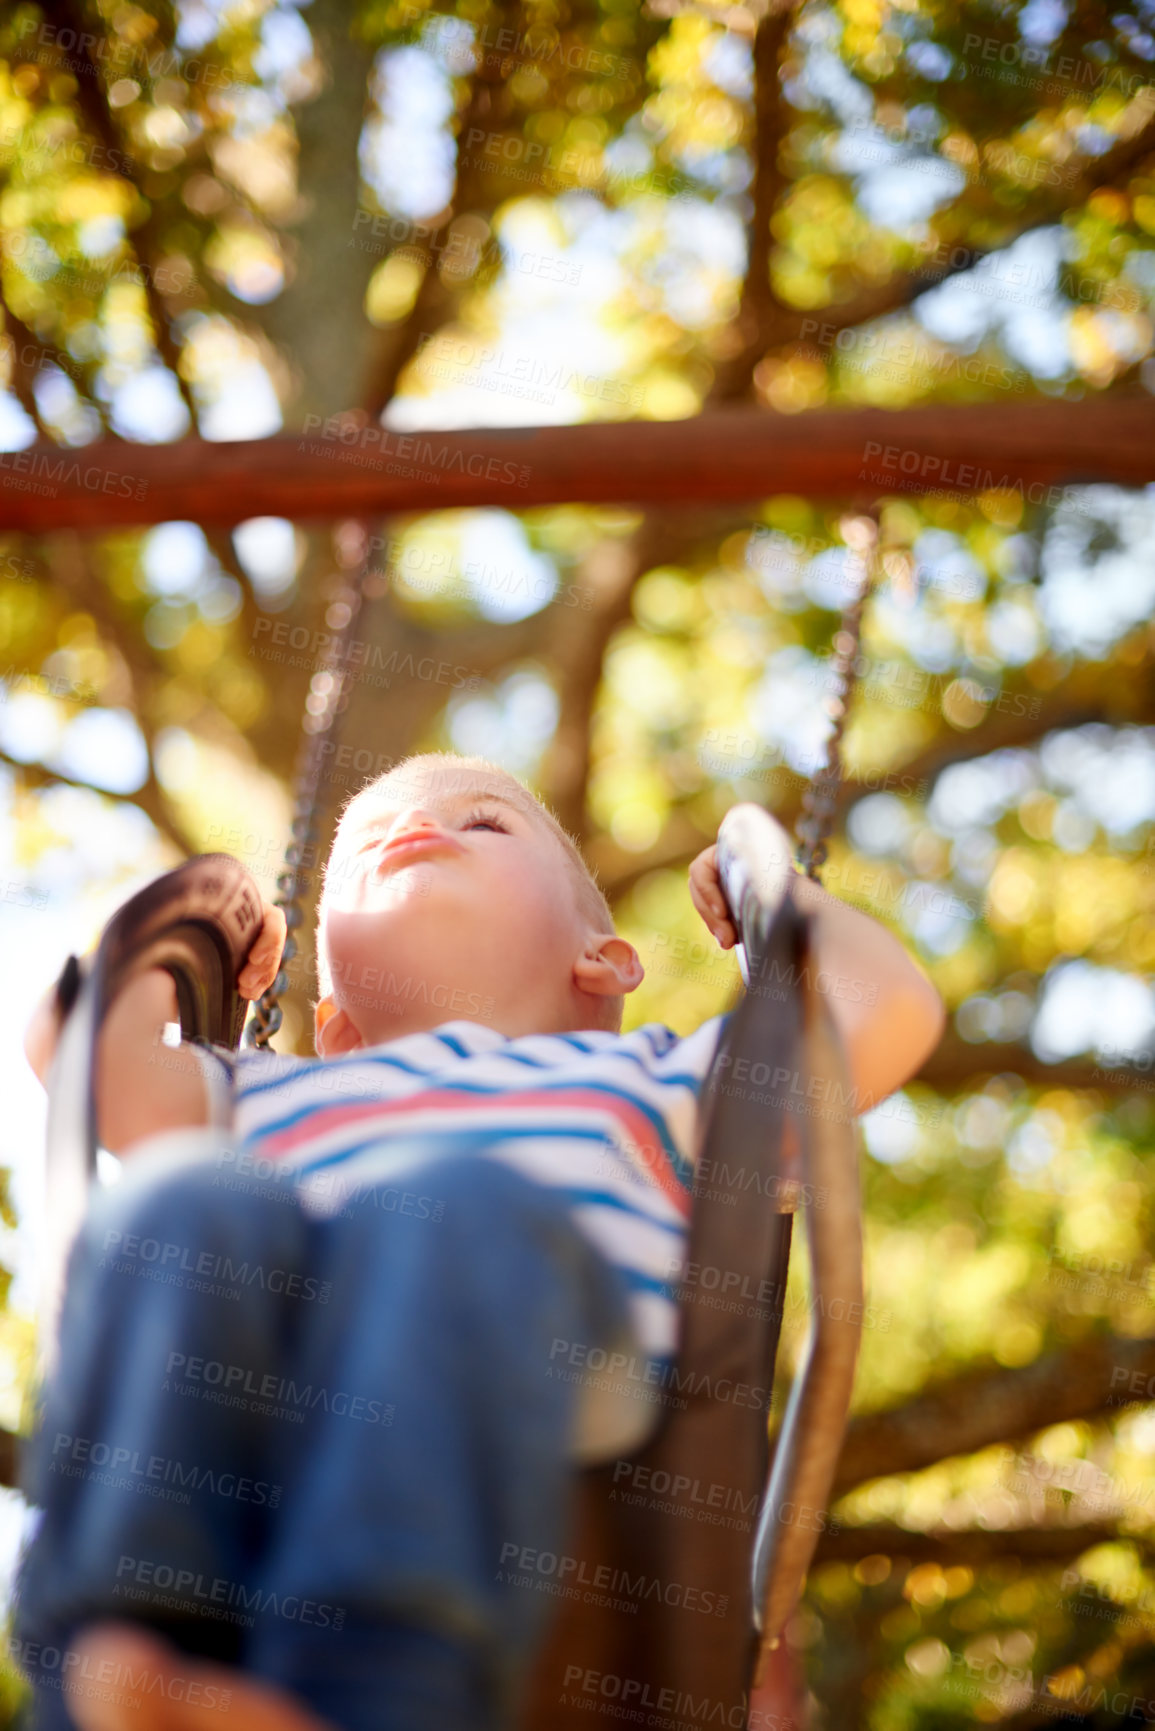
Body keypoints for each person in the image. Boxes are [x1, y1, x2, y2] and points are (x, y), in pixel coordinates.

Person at [15, 753, 945, 1731]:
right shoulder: (258, 1089)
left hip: (565, 1426)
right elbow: (80, 1055)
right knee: (180, 1205)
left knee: (449, 1203)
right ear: (332, 1020)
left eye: (486, 823)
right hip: (272, 1421)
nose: (416, 828)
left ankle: (369, 1686)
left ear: (605, 959)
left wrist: (774, 891)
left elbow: (886, 1011)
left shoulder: (660, 1082)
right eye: (368, 847)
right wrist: (200, 916)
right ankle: (132, 1648)